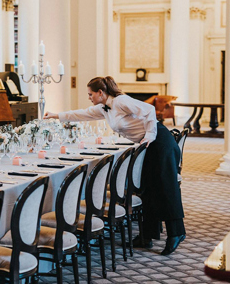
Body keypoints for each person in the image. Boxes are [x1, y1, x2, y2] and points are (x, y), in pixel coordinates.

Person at [44, 76, 185, 255]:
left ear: (100, 93)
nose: (89, 97)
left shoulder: (120, 101)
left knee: (166, 187)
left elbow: (149, 110)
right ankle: (147, 235)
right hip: (148, 146)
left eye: (90, 94)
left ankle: (177, 232)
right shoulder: (104, 108)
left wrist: (149, 135)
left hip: (160, 142)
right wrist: (57, 116)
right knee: (148, 189)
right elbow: (82, 113)